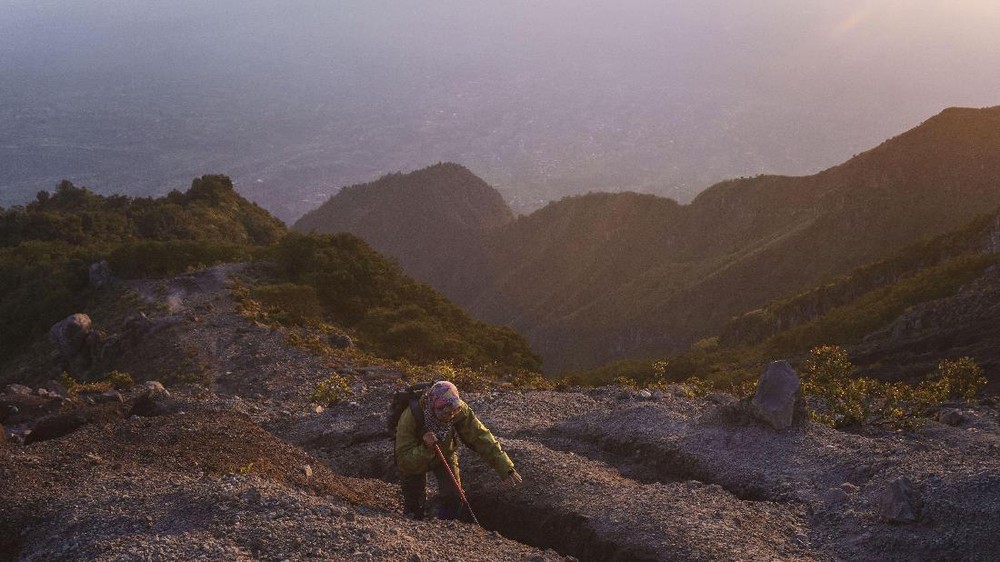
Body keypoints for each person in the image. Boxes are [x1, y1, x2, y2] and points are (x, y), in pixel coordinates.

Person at [394, 380, 522, 520]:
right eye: (443, 410)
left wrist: (505, 466)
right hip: (415, 457)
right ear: (432, 405)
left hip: (445, 453)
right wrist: (426, 448)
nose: (449, 415)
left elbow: (480, 436)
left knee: (454, 497)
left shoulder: (459, 410)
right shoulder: (410, 418)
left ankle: (446, 526)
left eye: (453, 410)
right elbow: (404, 461)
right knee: (414, 506)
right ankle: (414, 521)